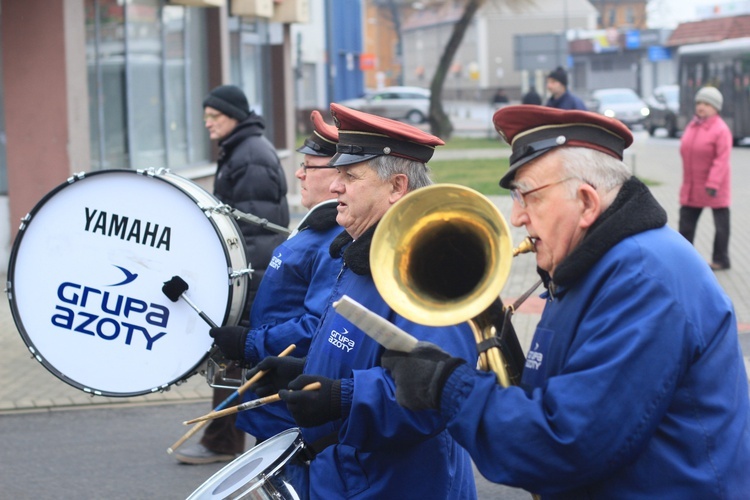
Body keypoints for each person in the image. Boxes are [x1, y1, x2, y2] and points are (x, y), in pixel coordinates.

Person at [382, 105, 750, 498]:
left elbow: (567, 442)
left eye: (527, 196)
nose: (517, 217)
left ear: (588, 203)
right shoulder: (590, 266)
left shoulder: (643, 279)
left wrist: (448, 387)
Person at [250, 103, 479, 498]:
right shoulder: (362, 253)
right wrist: (308, 369)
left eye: (350, 176)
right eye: (337, 174)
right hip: (351, 478)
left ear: (397, 187)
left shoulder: (425, 269)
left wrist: (342, 397)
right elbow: (366, 351)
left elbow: (435, 392)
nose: (335, 186)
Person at [208, 110, 343, 442]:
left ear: (338, 174)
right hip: (276, 397)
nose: (298, 174)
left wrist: (250, 343)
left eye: (308, 167)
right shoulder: (317, 226)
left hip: (291, 403)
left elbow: (319, 326)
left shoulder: (334, 239)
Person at [173, 84, 290, 465]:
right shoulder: (242, 150)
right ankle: (224, 438)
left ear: (234, 116)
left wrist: (242, 289)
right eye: (205, 116)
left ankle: (224, 441)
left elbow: (257, 233)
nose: (207, 123)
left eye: (214, 116)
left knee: (235, 354)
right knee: (235, 356)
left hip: (249, 278)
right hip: (245, 276)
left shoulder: (250, 156)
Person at [678, 86, 733, 271]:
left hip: (714, 185)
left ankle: (721, 259)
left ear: (716, 107)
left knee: (721, 226)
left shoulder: (721, 130)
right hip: (692, 185)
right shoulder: (693, 125)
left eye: (707, 104)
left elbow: (722, 159)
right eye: (700, 103)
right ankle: (683, 258)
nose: (702, 107)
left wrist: (713, 183)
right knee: (686, 224)